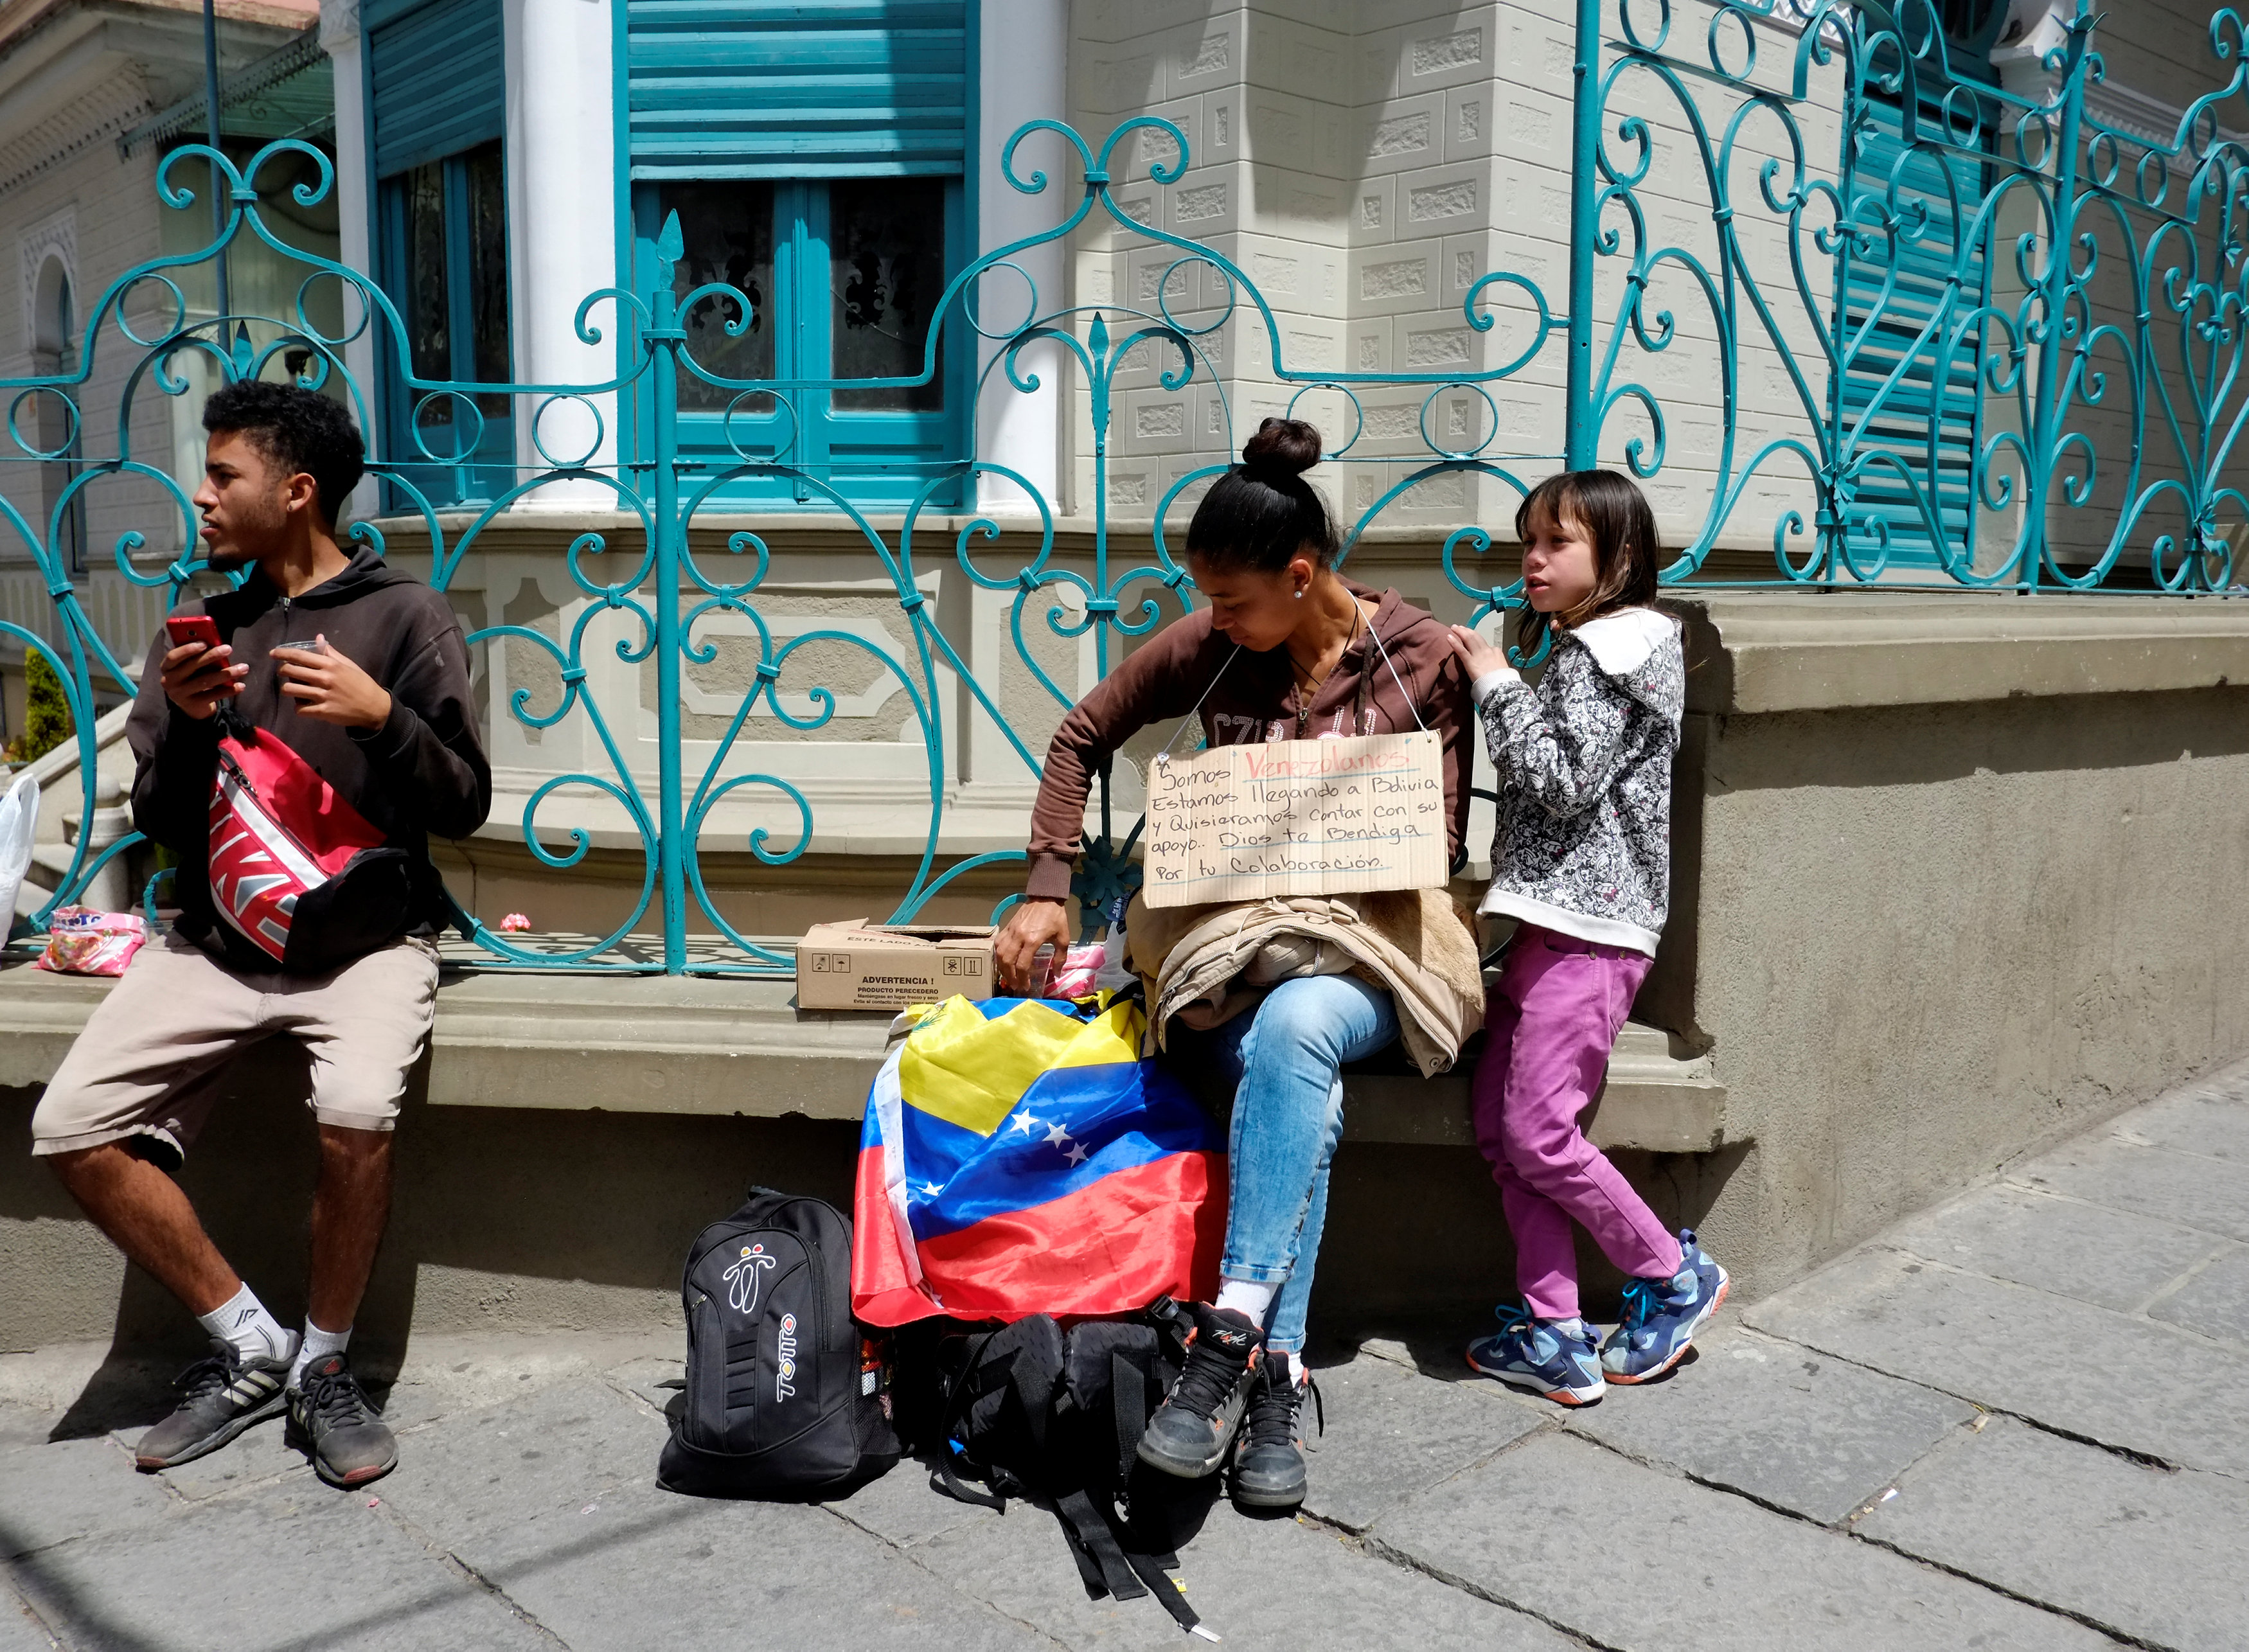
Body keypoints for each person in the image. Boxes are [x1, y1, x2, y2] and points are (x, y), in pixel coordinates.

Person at [993, 418, 1473, 1510]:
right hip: (1239, 968)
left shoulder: (1420, 659)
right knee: (1287, 1048)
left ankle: (1229, 1337)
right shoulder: (1212, 652)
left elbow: (1435, 848)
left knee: (1300, 1021)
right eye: (1207, 600)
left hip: (1374, 948)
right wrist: (1046, 883)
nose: (1215, 620)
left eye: (1234, 601)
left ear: (1302, 578)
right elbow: (1080, 735)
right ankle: (1264, 1373)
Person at [29, 380, 491, 1486]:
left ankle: (327, 1367)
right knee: (71, 1125)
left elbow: (465, 801)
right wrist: (187, 729)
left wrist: (382, 720)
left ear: (296, 491)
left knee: (356, 1111)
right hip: (220, 945)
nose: (202, 493)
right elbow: (160, 821)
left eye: (223, 473)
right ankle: (251, 1344)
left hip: (369, 941)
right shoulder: (209, 626)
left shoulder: (405, 617)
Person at [1446, 469, 1726, 1407]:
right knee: (1503, 1131)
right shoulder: (1584, 651)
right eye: (1529, 539)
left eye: (1557, 543)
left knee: (1538, 1132)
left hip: (1593, 935)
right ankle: (1553, 1327)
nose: (1533, 558)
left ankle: (1674, 1276)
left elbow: (1561, 781)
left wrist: (1492, 685)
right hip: (1548, 924)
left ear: (1618, 558)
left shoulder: (1614, 650)